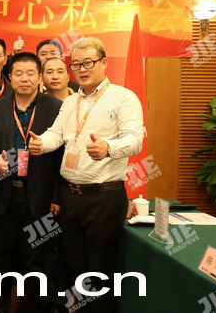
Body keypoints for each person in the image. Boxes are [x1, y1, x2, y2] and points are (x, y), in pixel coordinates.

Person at [29, 37, 144, 313]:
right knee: (73, 266)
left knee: (99, 269)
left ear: (104, 63)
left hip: (104, 196)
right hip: (71, 195)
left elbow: (135, 140)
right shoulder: (71, 101)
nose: (81, 69)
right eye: (76, 64)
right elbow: (57, 134)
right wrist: (42, 143)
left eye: (88, 63)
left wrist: (109, 147)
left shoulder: (123, 97)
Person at [0, 52, 64, 313]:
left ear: (40, 77)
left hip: (41, 196)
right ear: (10, 77)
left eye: (30, 73)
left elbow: (62, 155)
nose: (24, 78)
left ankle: (32, 308)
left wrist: (57, 197)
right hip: (2, 194)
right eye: (18, 73)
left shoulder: (57, 108)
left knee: (36, 259)